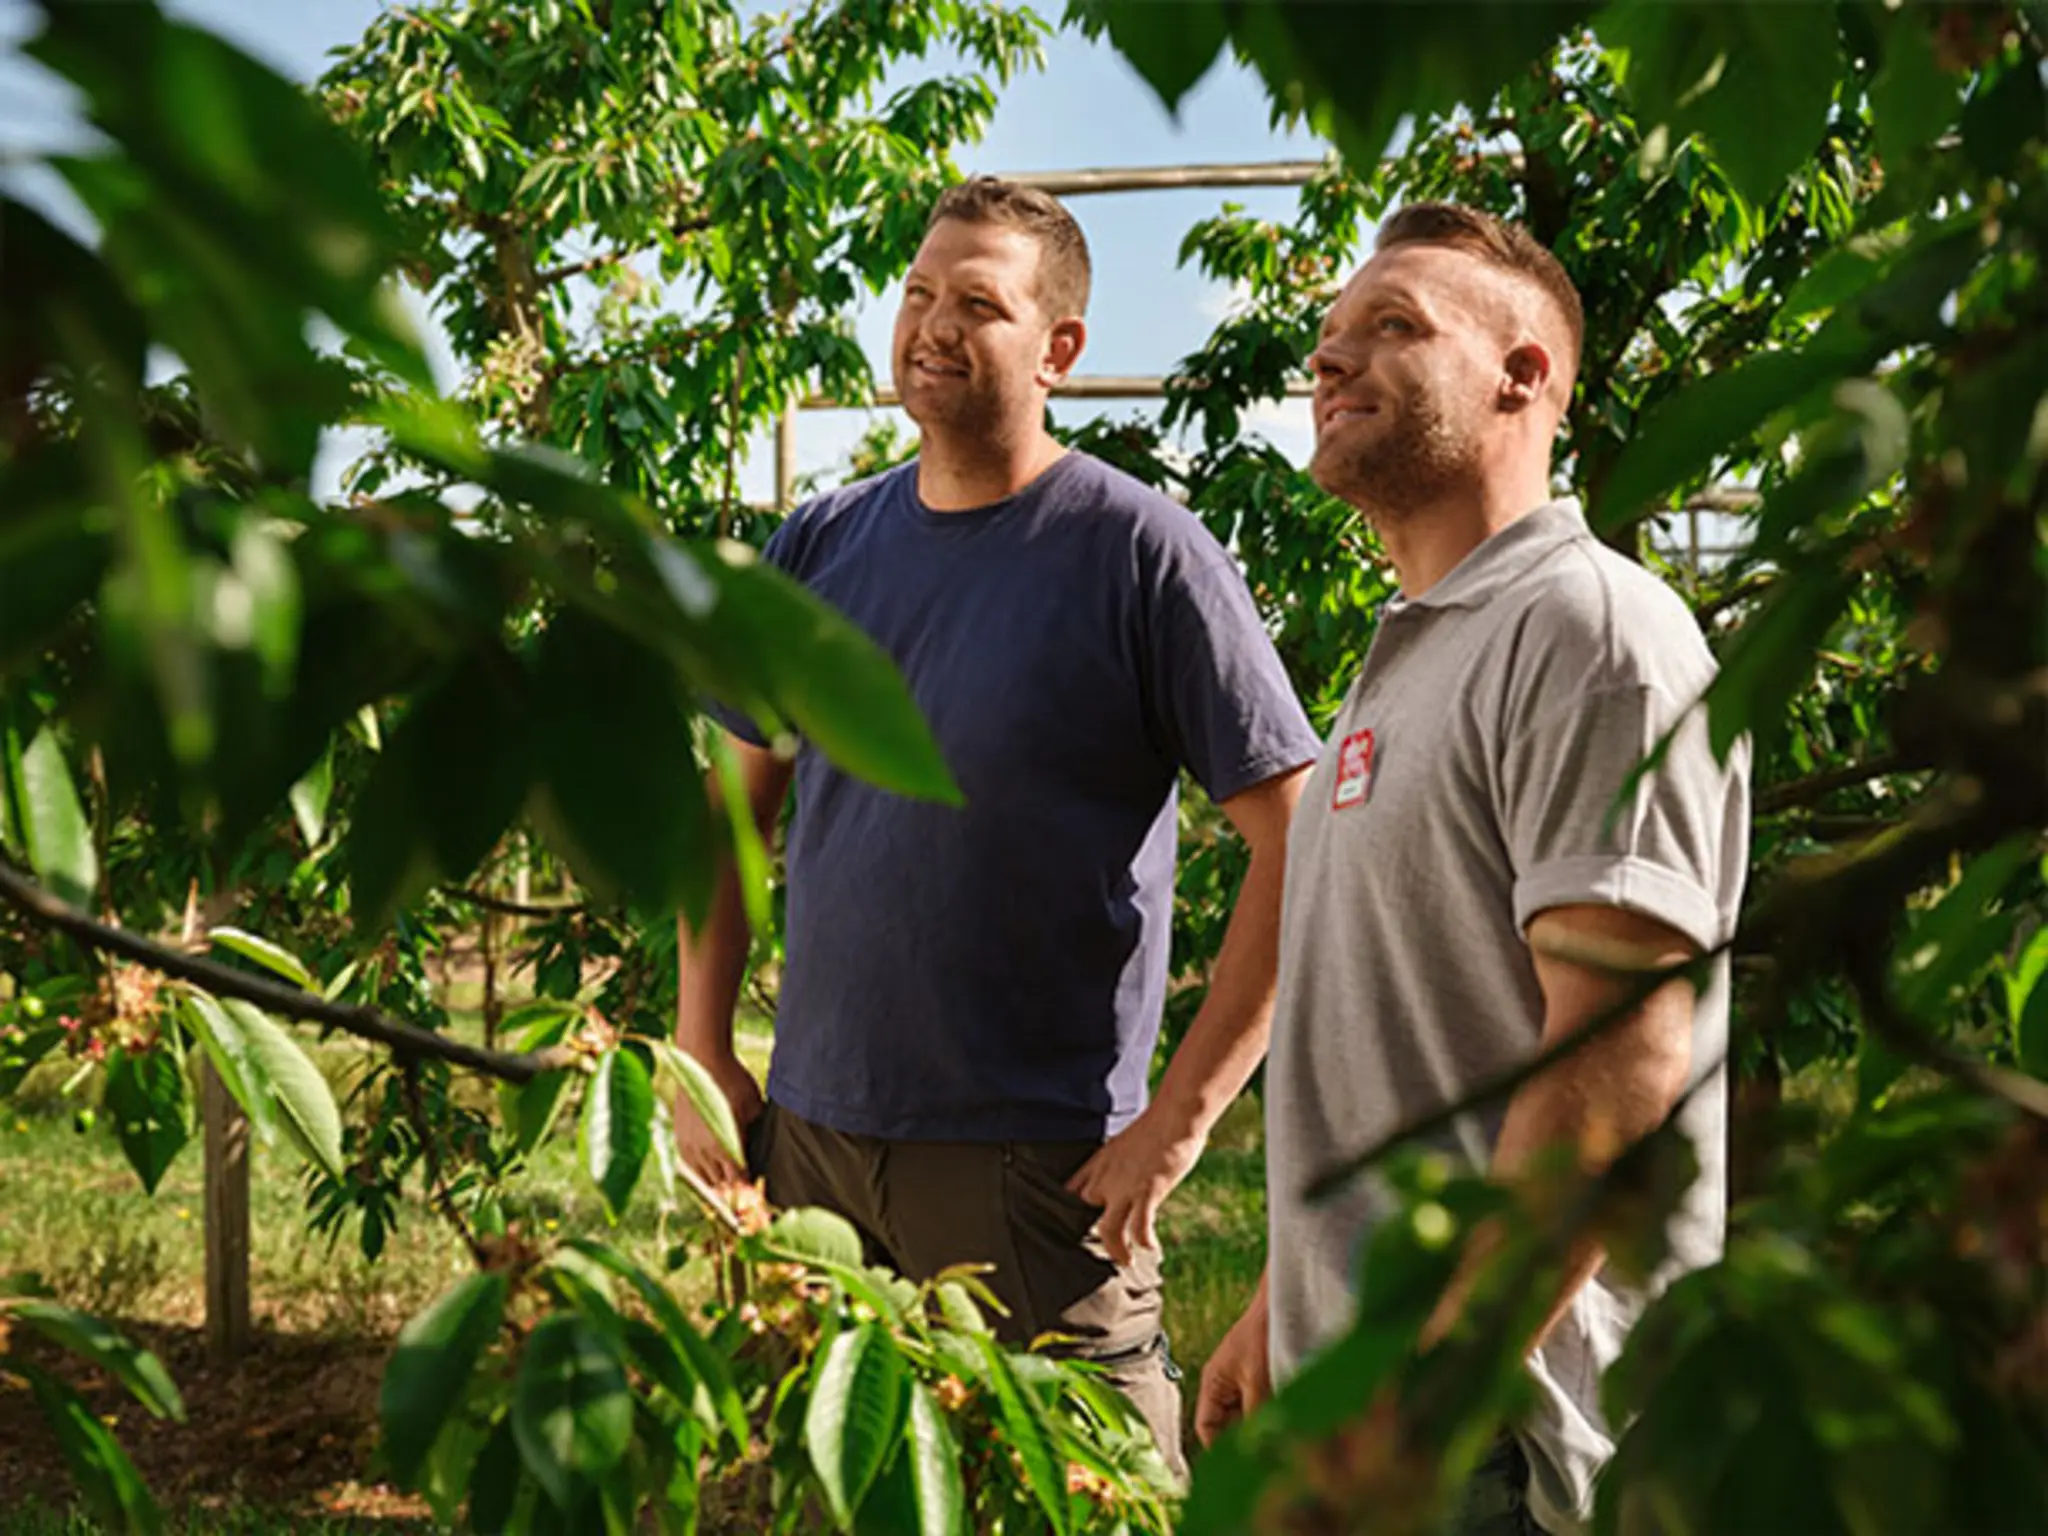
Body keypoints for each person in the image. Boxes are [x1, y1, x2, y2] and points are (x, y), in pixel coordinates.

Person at [671, 176, 1320, 1480]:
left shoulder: (1144, 555)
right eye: (918, 293)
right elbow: (730, 814)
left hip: (1037, 1166)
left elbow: (1302, 842)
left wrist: (1182, 1121)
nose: (931, 326)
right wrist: (700, 1055)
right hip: (811, 1143)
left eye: (979, 303)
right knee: (836, 1492)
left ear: (1058, 350)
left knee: (1089, 1499)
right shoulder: (821, 543)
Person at [1194, 202, 1750, 1533]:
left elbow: (1616, 1061)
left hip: (1503, 1440)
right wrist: (1288, 1307)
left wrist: (1418, 1403)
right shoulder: (1407, 660)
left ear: (1525, 375)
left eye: (1393, 328)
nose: (1330, 361)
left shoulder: (1590, 632)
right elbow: (1398, 1038)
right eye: (1329, 338)